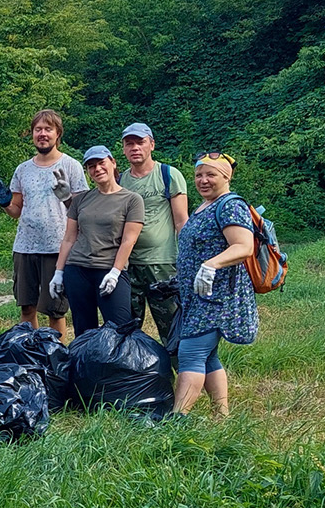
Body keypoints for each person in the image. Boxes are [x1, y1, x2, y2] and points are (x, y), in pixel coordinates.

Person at [172, 152, 257, 417]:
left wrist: (211, 265)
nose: (203, 180)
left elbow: (244, 246)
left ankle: (177, 419)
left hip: (217, 297)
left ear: (226, 177)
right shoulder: (204, 206)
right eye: (199, 175)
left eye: (211, 175)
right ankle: (222, 416)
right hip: (198, 296)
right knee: (208, 357)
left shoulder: (230, 205)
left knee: (191, 353)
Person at [0, 109, 87, 339]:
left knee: (55, 310)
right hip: (25, 247)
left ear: (58, 134)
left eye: (48, 129)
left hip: (58, 247)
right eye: (38, 130)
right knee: (27, 306)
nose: (42, 134)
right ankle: (32, 356)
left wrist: (67, 198)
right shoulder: (23, 169)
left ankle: (55, 359)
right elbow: (16, 211)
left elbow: (83, 210)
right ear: (32, 134)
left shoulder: (71, 165)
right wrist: (5, 202)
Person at [50, 145, 144, 335]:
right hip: (77, 269)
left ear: (113, 163)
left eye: (101, 163)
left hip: (109, 270)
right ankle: (83, 365)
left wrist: (115, 272)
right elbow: (69, 238)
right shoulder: (81, 200)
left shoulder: (132, 200)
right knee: (83, 330)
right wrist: (59, 272)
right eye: (91, 166)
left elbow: (128, 240)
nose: (98, 169)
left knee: (119, 329)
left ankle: (117, 366)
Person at [120, 122, 188, 341]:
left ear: (151, 145)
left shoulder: (168, 174)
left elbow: (181, 221)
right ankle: (135, 374)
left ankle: (182, 373)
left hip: (163, 264)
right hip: (128, 265)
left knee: (171, 327)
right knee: (127, 330)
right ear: (123, 149)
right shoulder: (120, 180)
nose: (135, 148)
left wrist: (187, 261)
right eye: (129, 144)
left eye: (140, 142)